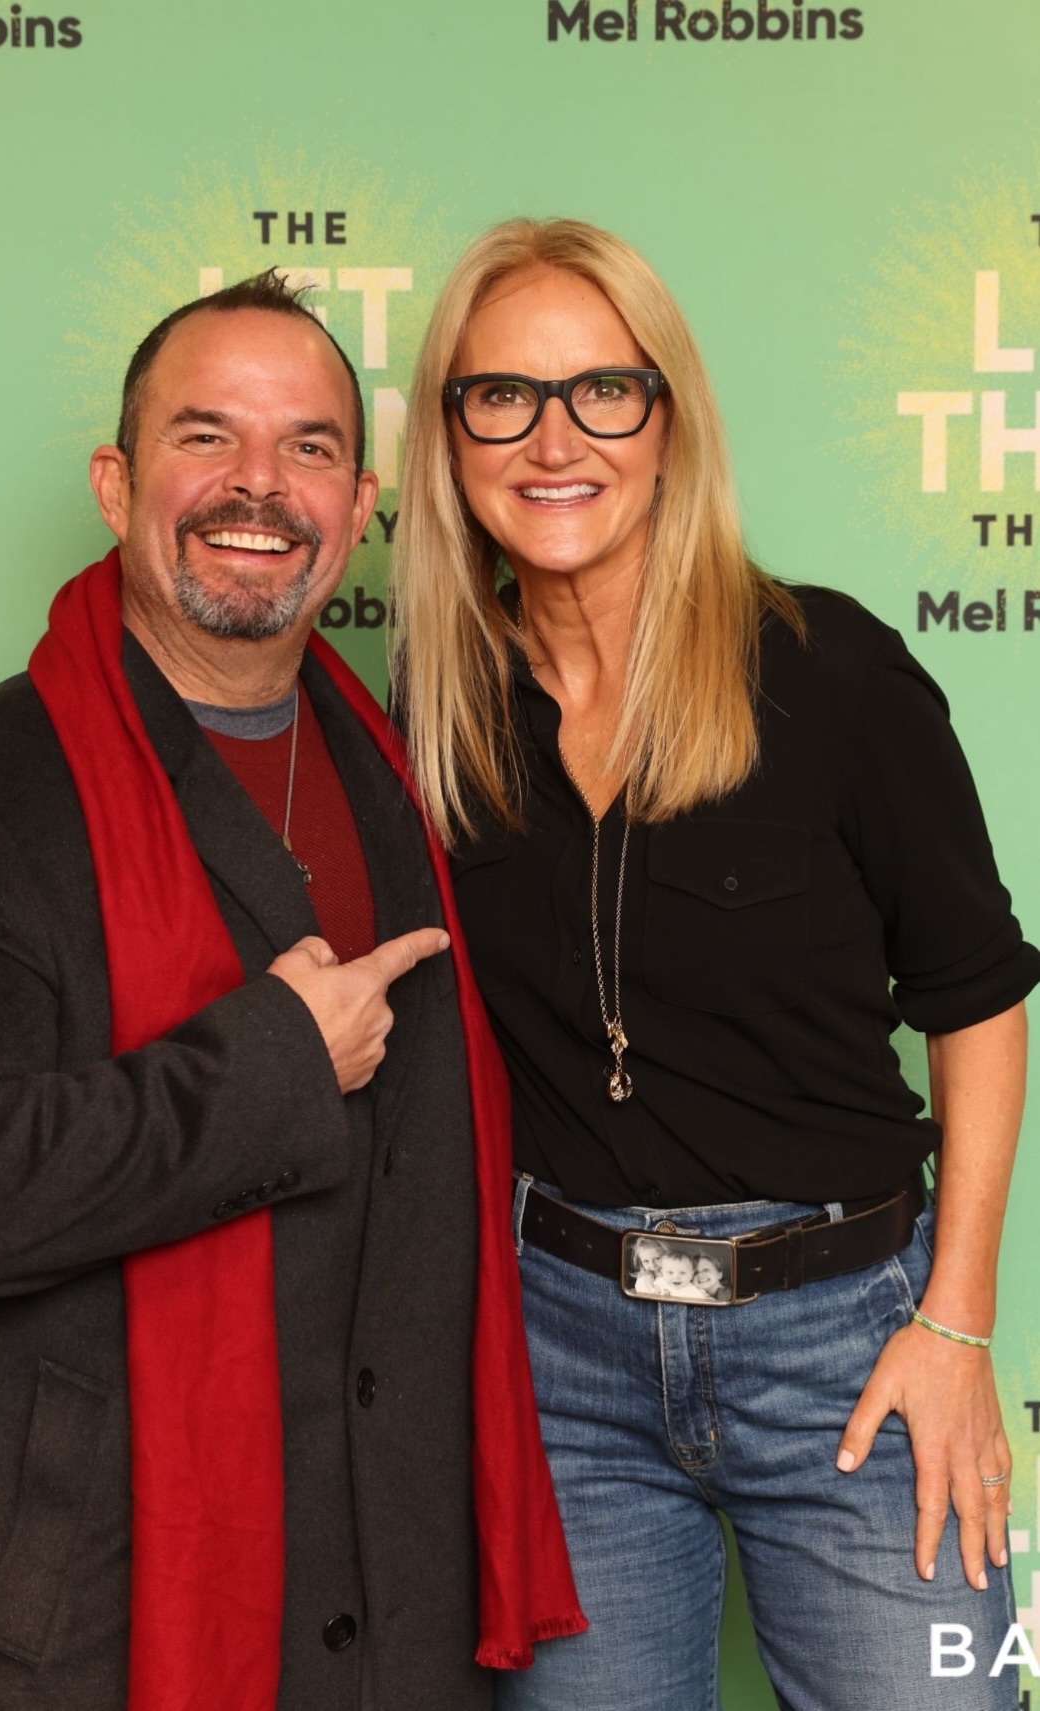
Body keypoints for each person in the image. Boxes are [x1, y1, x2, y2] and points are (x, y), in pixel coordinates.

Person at [0, 270, 584, 1711]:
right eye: (205, 436)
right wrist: (274, 1063)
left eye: (309, 447)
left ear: (357, 507)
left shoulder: (407, 787)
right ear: (116, 483)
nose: (258, 485)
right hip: (64, 1638)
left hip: (385, 1639)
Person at [391, 218, 1038, 1710]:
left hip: (850, 1342)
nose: (554, 440)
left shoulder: (833, 669)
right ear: (450, 437)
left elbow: (978, 1000)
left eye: (603, 392)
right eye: (503, 396)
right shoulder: (439, 702)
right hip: (562, 1362)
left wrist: (955, 1324)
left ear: (668, 421)